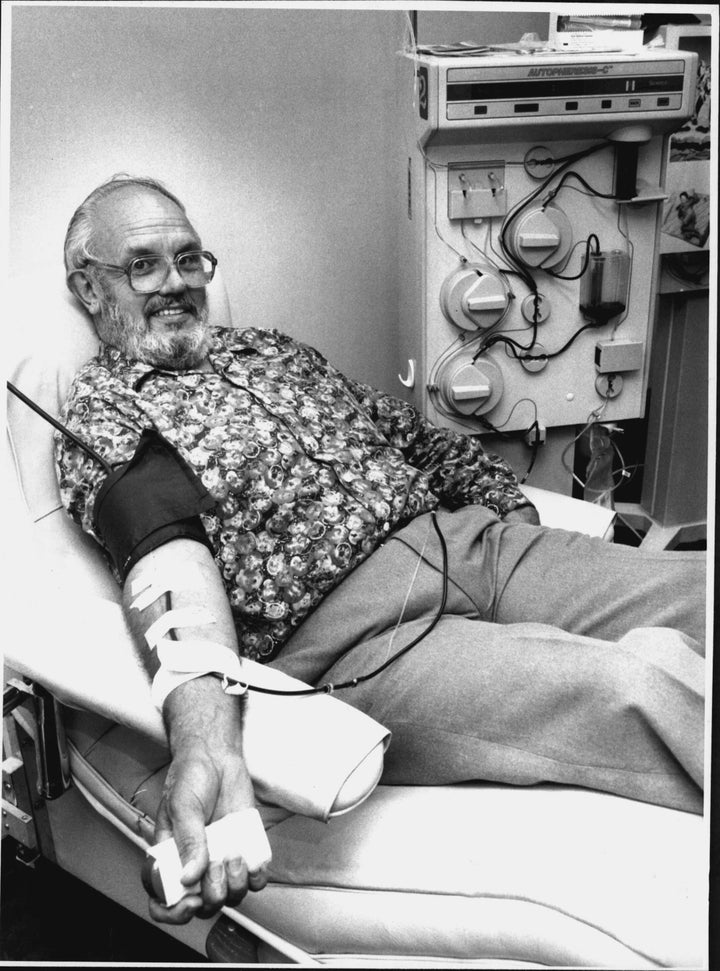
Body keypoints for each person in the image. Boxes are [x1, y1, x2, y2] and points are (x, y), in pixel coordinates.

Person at [56, 174, 706, 926]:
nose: (176, 283)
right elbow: (167, 562)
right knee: (630, 682)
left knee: (696, 590)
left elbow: (411, 435)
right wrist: (208, 745)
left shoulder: (270, 352)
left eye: (189, 259)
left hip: (474, 546)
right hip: (370, 641)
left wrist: (509, 507)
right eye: (144, 265)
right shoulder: (108, 413)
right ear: (90, 287)